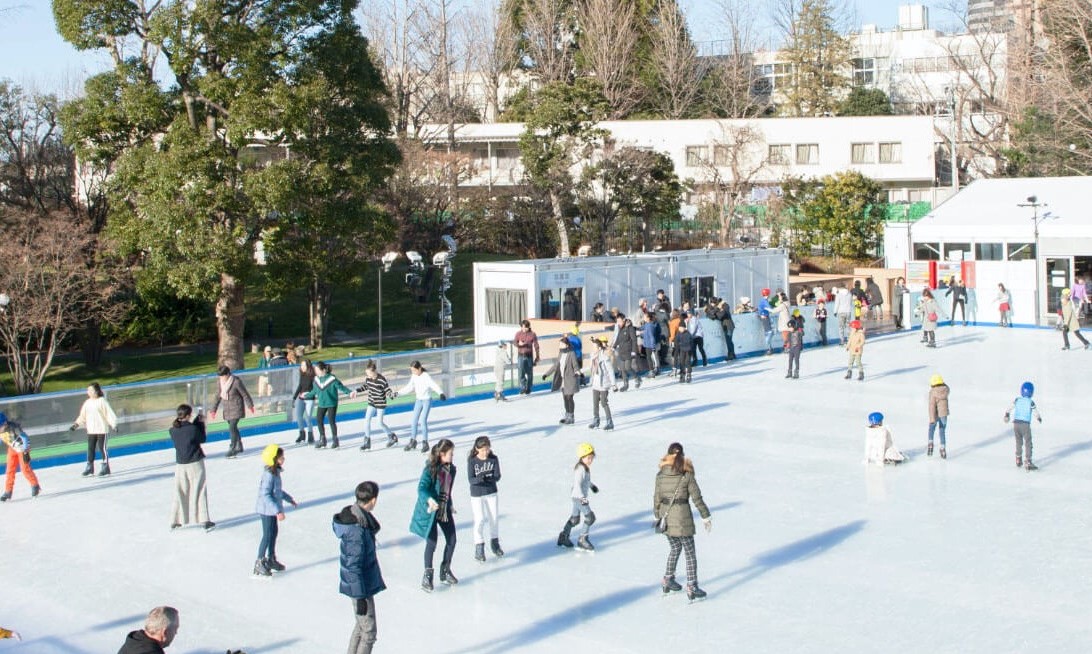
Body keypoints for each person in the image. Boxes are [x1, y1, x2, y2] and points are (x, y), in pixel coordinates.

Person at [654, 442, 711, 602]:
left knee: (675, 547)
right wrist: (706, 516)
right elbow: (696, 498)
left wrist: (657, 516)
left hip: (665, 518)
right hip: (682, 518)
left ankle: (668, 579)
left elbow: (656, 497)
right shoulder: (686, 475)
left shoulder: (660, 474)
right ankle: (692, 585)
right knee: (690, 552)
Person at [334, 481, 386, 654]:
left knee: (361, 626)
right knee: (369, 632)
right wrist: (360, 597)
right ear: (373, 500)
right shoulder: (356, 530)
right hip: (359, 587)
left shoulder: (361, 519)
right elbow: (353, 565)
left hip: (363, 584)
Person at [409, 439, 459, 592]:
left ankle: (445, 570)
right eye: (450, 453)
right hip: (429, 510)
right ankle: (427, 575)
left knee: (452, 539)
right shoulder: (430, 469)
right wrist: (430, 500)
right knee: (432, 543)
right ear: (442, 454)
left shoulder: (452, 469)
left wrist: (449, 505)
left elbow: (446, 490)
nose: (452, 456)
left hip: (443, 508)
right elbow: (421, 489)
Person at [168, 404, 214, 531]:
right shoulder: (193, 429)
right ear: (188, 415)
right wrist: (200, 423)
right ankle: (204, 519)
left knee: (180, 491)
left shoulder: (172, 430)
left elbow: (186, 433)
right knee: (199, 490)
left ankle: (175, 520)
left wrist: (195, 423)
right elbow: (202, 438)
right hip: (195, 463)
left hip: (180, 465)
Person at [254, 444, 297, 577]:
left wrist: (289, 499)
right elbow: (265, 494)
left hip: (271, 509)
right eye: (281, 457)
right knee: (267, 535)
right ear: (273, 458)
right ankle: (259, 562)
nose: (283, 459)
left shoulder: (275, 472)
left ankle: (271, 558)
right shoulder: (268, 475)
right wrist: (277, 511)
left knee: (274, 533)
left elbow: (277, 491)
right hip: (266, 510)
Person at [302, 361, 356, 449]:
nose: (316, 372)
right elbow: (314, 391)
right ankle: (323, 439)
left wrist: (349, 393)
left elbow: (341, 387)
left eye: (317, 370)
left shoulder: (332, 379)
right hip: (322, 404)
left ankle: (335, 440)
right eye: (315, 370)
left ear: (323, 370)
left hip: (331, 403)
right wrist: (306, 395)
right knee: (319, 420)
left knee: (331, 421)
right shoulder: (316, 380)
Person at [467, 435, 504, 562]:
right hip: (477, 493)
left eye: (487, 449)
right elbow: (470, 479)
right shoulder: (472, 461)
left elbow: (498, 475)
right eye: (483, 450)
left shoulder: (493, 459)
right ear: (477, 449)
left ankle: (495, 543)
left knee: (494, 518)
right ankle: (479, 546)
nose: (485, 452)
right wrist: (479, 479)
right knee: (480, 519)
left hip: (491, 492)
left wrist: (490, 478)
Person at [557, 442, 598, 551]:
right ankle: (582, 539)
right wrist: (582, 498)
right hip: (578, 497)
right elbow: (577, 484)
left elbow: (586, 481)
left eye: (592, 458)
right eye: (588, 458)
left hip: (577, 496)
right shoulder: (580, 469)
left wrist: (592, 486)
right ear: (582, 457)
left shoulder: (585, 468)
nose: (590, 460)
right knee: (590, 517)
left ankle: (563, 536)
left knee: (575, 519)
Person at [70, 382, 118, 477]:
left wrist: (114, 424)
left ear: (96, 391)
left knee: (102, 448)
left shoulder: (102, 401)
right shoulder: (87, 403)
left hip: (101, 430)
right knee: (90, 448)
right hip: (91, 430)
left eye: (91, 390)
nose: (88, 392)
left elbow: (109, 414)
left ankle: (105, 467)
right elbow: (82, 416)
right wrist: (76, 424)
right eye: (88, 390)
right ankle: (89, 467)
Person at [400, 361, 447, 452]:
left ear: (419, 368)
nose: (413, 372)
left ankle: (425, 443)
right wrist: (398, 393)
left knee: (422, 420)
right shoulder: (414, 376)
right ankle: (413, 441)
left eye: (414, 370)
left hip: (426, 401)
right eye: (412, 370)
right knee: (414, 420)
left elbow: (434, 385)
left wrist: (441, 393)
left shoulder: (426, 376)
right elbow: (409, 387)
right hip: (418, 400)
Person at [210, 365, 255, 458]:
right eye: (220, 376)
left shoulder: (236, 382)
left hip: (237, 407)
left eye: (223, 375)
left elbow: (245, 394)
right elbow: (217, 395)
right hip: (227, 409)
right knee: (233, 428)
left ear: (228, 374)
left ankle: (233, 447)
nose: (221, 377)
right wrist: (213, 409)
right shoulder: (220, 382)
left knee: (232, 427)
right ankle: (239, 445)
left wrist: (250, 405)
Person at [356, 361, 398, 451]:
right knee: (366, 420)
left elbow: (387, 390)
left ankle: (392, 436)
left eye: (369, 373)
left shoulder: (381, 379)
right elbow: (365, 386)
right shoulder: (368, 379)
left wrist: (391, 395)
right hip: (371, 402)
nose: (368, 375)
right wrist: (356, 391)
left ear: (374, 371)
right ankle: (367, 442)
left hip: (380, 404)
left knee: (380, 423)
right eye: (367, 374)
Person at [0, 412, 39, 501]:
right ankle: (8, 491)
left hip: (22, 448)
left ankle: (35, 485)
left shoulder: (14, 428)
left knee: (25, 469)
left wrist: (25, 452)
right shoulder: (1, 430)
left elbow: (25, 438)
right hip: (12, 449)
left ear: (5, 423)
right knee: (9, 470)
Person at [1004, 381, 1042, 471]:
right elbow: (1036, 412)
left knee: (1018, 441)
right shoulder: (1031, 402)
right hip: (1025, 424)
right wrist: (1039, 418)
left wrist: (1007, 414)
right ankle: (1028, 461)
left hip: (1016, 424)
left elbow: (1009, 408)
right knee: (1028, 442)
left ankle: (1018, 458)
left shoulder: (1017, 400)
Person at [543, 337, 581, 425]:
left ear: (566, 345)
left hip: (571, 379)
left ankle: (571, 417)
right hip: (563, 379)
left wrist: (577, 371)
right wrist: (546, 374)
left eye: (561, 344)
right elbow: (556, 365)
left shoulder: (571, 353)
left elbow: (575, 365)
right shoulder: (561, 353)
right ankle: (567, 415)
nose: (560, 346)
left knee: (569, 397)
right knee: (565, 398)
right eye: (559, 344)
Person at [587, 337, 615, 430]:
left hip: (603, 383)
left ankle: (609, 422)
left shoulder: (604, 358)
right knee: (595, 403)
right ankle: (596, 421)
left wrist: (613, 384)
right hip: (595, 383)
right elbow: (591, 369)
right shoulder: (592, 357)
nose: (593, 349)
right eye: (593, 347)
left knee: (603, 402)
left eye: (595, 347)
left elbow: (610, 371)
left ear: (599, 348)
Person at [927, 374, 951, 459]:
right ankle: (943, 448)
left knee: (931, 428)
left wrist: (932, 418)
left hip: (935, 414)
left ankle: (930, 443)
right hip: (944, 414)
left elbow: (932, 406)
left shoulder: (933, 392)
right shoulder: (945, 390)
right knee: (942, 431)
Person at [513, 320, 540, 395]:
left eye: (525, 327)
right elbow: (514, 342)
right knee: (521, 372)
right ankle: (522, 387)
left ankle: (529, 388)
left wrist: (537, 356)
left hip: (529, 356)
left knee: (529, 373)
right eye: (522, 327)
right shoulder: (518, 334)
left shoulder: (532, 334)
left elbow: (536, 345)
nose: (524, 329)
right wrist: (519, 344)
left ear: (528, 327)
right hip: (520, 355)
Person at [292, 359, 316, 445]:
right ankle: (302, 434)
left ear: (308, 366)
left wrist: (308, 394)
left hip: (310, 399)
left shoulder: (313, 376)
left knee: (308, 417)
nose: (302, 367)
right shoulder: (302, 375)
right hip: (301, 399)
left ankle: (310, 435)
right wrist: (294, 397)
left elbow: (315, 389)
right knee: (298, 416)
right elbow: (300, 386)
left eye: (304, 365)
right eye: (301, 365)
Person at [613, 314, 639, 390]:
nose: (618, 323)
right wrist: (614, 346)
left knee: (628, 368)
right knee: (622, 369)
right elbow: (618, 338)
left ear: (624, 320)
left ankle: (637, 378)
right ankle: (625, 384)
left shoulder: (630, 328)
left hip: (628, 351)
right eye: (617, 321)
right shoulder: (620, 328)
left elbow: (634, 340)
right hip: (621, 351)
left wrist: (634, 351)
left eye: (619, 321)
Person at [639, 312, 659, 381]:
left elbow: (651, 337)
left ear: (648, 318)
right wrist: (640, 333)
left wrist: (653, 346)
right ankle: (651, 370)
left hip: (650, 345)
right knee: (648, 358)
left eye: (645, 317)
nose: (643, 318)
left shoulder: (650, 326)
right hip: (646, 344)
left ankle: (652, 371)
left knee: (650, 358)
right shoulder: (647, 324)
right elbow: (642, 329)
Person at [675, 318, 694, 383]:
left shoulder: (688, 334)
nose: (680, 329)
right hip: (682, 350)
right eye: (679, 327)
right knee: (681, 362)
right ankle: (682, 375)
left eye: (681, 327)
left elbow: (691, 343)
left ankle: (689, 374)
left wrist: (691, 350)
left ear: (684, 328)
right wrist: (677, 348)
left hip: (688, 350)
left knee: (687, 362)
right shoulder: (678, 334)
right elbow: (676, 342)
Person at [757, 288, 775, 355]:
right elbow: (770, 309)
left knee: (769, 332)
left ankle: (769, 347)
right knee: (769, 332)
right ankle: (769, 348)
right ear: (768, 294)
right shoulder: (764, 301)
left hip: (765, 317)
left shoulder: (763, 300)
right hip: (765, 318)